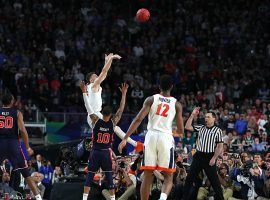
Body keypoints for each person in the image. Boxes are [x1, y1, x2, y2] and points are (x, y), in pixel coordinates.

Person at [118, 74, 184, 200]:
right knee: (169, 176)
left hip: (151, 136)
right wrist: (172, 129)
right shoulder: (177, 104)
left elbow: (138, 119)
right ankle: (162, 198)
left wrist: (125, 138)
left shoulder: (151, 99)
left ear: (159, 86)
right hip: (165, 137)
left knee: (147, 175)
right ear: (172, 86)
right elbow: (180, 130)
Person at [83, 53, 143, 153]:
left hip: (96, 114)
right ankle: (135, 145)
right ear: (90, 80)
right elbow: (104, 72)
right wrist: (111, 59)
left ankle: (136, 145)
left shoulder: (92, 87)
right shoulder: (93, 86)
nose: (97, 76)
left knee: (114, 128)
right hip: (93, 115)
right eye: (94, 76)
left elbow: (104, 73)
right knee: (107, 133)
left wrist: (107, 61)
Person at [81, 82, 128, 200]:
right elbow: (121, 109)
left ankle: (84, 198)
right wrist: (124, 94)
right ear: (111, 114)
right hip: (106, 153)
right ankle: (112, 198)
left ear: (102, 114)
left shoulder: (96, 121)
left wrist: (84, 92)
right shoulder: (113, 123)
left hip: (95, 152)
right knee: (109, 176)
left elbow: (88, 107)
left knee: (90, 176)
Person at [0, 93, 43, 200]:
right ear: (12, 101)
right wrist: (28, 147)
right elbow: (23, 131)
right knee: (26, 173)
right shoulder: (17, 113)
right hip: (13, 144)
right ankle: (38, 198)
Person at [183, 107, 224, 200]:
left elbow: (220, 146)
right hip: (198, 156)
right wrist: (192, 115)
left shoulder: (218, 131)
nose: (206, 118)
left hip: (209, 157)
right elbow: (187, 127)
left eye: (208, 117)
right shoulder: (201, 127)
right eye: (205, 117)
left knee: (214, 182)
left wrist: (214, 158)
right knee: (189, 178)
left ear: (214, 118)